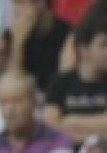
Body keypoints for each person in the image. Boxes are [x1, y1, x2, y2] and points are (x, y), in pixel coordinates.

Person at [44, 11, 107, 142]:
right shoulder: (60, 83)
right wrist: (93, 136)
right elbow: (50, 126)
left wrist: (71, 120)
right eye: (103, 45)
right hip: (66, 152)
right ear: (83, 49)